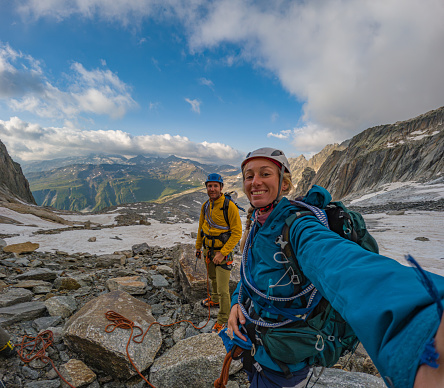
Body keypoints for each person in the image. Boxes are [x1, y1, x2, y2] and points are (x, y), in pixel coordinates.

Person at [225, 147, 444, 388]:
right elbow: (249, 271)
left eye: (265, 174)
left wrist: (424, 323)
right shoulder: (258, 222)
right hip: (258, 346)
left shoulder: (299, 225)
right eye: (249, 176)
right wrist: (237, 300)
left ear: (284, 184)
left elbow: (339, 263)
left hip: (282, 360)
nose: (255, 182)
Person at [195, 173, 242, 333]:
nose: (212, 189)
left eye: (215, 186)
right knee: (213, 278)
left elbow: (237, 233)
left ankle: (223, 319)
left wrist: (222, 253)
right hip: (208, 250)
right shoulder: (206, 206)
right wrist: (198, 247)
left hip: (223, 253)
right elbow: (202, 227)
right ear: (206, 187)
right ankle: (214, 300)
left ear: (221, 188)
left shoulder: (229, 206)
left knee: (223, 290)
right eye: (210, 186)